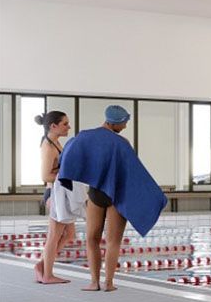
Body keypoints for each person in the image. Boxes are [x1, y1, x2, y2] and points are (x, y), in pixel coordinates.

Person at [58, 105, 167, 292]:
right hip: (117, 196)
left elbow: (68, 151)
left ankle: (94, 282)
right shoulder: (122, 144)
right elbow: (135, 174)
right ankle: (108, 283)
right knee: (113, 241)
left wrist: (66, 171)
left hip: (95, 194)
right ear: (115, 122)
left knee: (92, 239)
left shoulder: (85, 137)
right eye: (124, 123)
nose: (125, 127)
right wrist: (154, 196)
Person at [33, 110, 75, 285]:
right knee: (54, 235)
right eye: (65, 124)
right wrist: (66, 174)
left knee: (69, 234)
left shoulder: (56, 142)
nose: (69, 127)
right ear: (53, 126)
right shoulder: (49, 147)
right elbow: (45, 176)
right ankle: (47, 274)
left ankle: (42, 265)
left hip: (60, 192)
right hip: (54, 194)